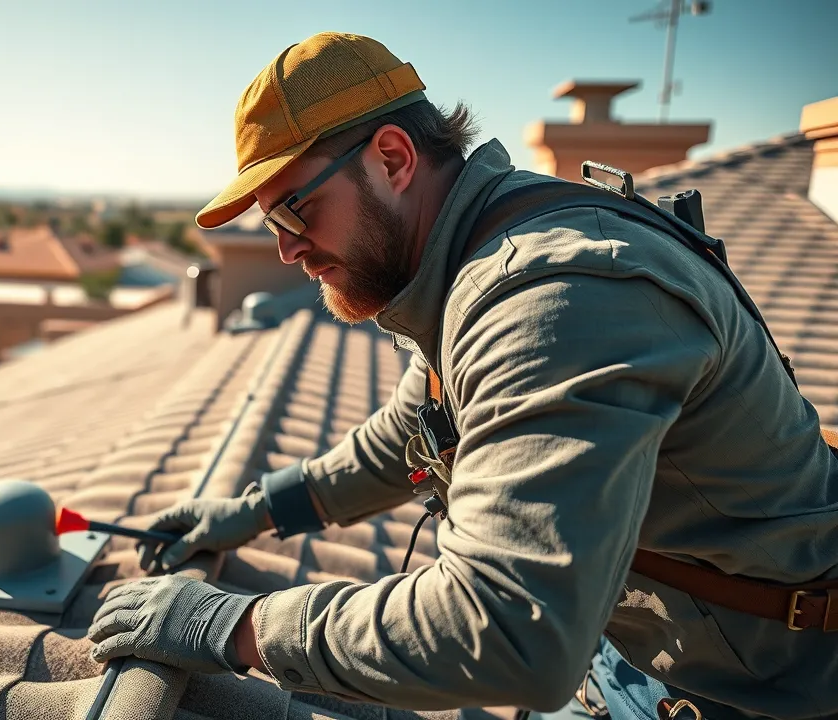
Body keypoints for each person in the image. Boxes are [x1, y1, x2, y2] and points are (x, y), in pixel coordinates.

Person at [86, 32, 838, 719]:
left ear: (392, 158)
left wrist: (235, 626)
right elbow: (409, 437)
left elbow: (511, 627)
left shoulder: (555, 295)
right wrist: (253, 510)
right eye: (272, 226)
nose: (287, 250)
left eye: (295, 210)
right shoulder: (469, 254)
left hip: (756, 691)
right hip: (635, 657)